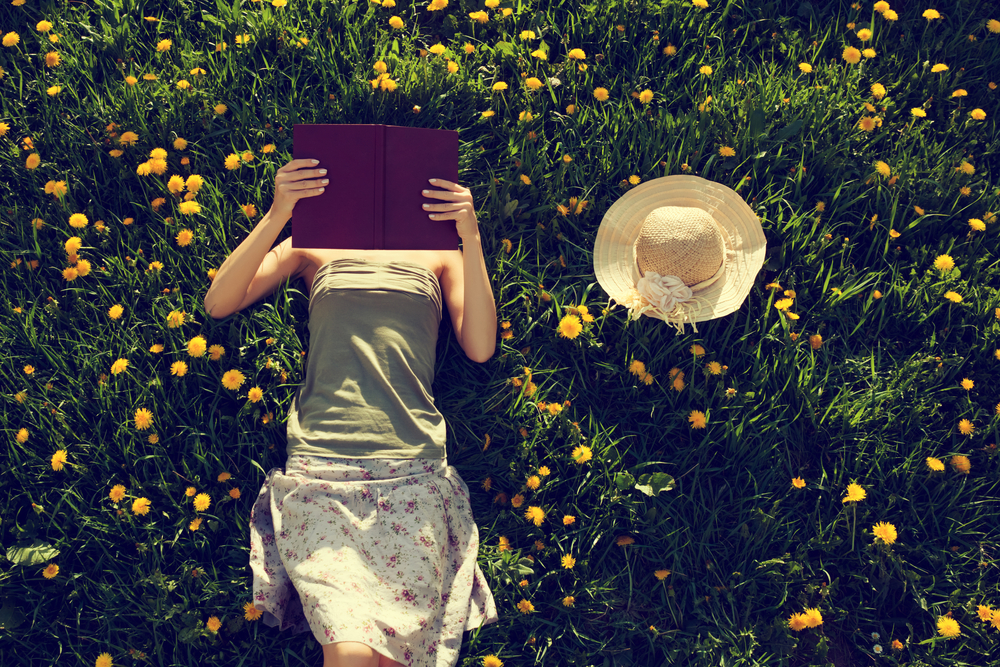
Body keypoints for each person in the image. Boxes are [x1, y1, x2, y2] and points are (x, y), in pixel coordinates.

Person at [203, 158, 499, 667]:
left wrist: (469, 238)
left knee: (398, 658)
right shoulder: (314, 242)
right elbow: (218, 302)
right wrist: (278, 214)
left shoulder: (441, 254)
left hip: (411, 470)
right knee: (349, 653)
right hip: (322, 471)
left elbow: (480, 346)